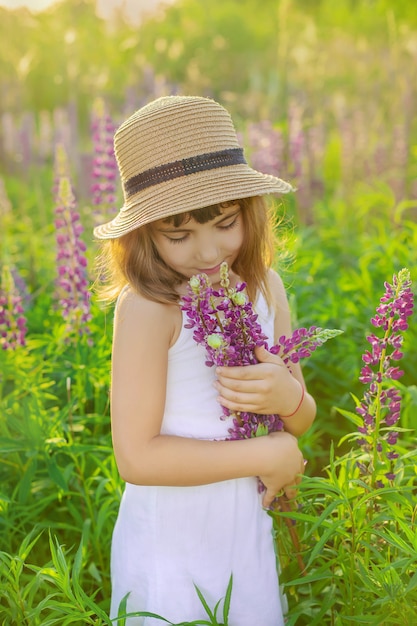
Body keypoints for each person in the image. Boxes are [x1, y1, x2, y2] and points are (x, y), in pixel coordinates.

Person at [94, 95, 316, 626]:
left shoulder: (267, 287)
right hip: (171, 540)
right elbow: (137, 459)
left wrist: (291, 399)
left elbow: (300, 418)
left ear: (248, 210)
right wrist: (268, 454)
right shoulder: (149, 307)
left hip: (244, 531)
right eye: (179, 234)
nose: (207, 249)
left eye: (224, 222)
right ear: (144, 233)